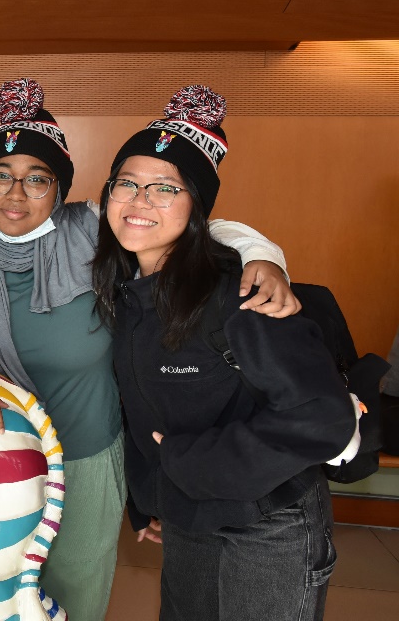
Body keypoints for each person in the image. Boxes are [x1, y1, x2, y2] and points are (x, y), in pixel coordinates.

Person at [0, 78, 298, 621]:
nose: (16, 194)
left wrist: (263, 255)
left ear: (59, 190)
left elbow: (200, 231)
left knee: (75, 586)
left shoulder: (93, 229)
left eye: (37, 180)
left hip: (88, 451)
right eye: (1, 176)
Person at [91, 85, 355, 621]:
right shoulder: (124, 294)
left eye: (164, 189)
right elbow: (141, 406)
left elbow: (324, 419)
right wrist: (150, 498)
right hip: (189, 515)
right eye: (127, 183)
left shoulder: (240, 295)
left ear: (196, 209)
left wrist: (188, 463)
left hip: (270, 522)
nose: (140, 201)